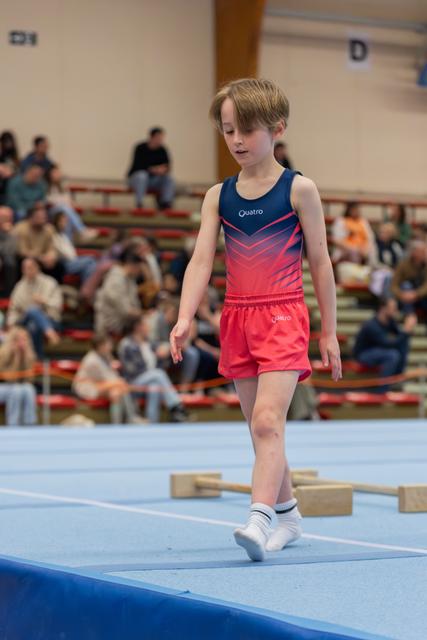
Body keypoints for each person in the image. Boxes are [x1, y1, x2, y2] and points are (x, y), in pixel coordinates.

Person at [169, 78, 341, 562]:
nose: (237, 140)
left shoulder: (299, 189)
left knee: (268, 421)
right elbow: (201, 261)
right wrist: (185, 317)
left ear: (277, 127)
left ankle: (258, 517)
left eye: (247, 129)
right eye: (228, 131)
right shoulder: (218, 196)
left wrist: (328, 330)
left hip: (284, 314)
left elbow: (322, 261)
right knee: (259, 429)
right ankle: (288, 514)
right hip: (237, 318)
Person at [118, 315, 188, 423]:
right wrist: (156, 359)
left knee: (154, 387)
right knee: (158, 374)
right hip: (132, 384)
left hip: (149, 381)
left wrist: (165, 349)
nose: (148, 327)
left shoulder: (148, 342)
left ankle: (152, 423)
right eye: (145, 324)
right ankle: (176, 405)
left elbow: (161, 348)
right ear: (138, 327)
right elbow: (133, 371)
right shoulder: (127, 344)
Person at [73, 334, 145, 425]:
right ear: (100, 346)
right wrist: (120, 382)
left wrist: (120, 382)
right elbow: (109, 380)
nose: (110, 346)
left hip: (101, 384)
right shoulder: (92, 360)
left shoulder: (106, 355)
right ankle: (124, 422)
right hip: (88, 387)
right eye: (108, 344)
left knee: (116, 392)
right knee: (118, 388)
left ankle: (130, 418)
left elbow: (112, 377)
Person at [353, 298, 417, 392]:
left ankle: (397, 376)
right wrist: (406, 331)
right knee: (392, 355)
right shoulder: (371, 325)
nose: (396, 311)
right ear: (383, 308)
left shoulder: (390, 322)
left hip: (378, 351)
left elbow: (399, 337)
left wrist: (407, 331)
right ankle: (382, 390)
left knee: (402, 344)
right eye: (393, 308)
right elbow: (387, 344)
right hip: (363, 354)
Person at [7, 258, 62, 358]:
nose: (28, 270)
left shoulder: (50, 282)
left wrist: (44, 301)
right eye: (25, 268)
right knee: (32, 311)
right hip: (24, 320)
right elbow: (13, 309)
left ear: (37, 267)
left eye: (30, 268)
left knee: (34, 326)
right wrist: (11, 324)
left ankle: (37, 359)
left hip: (49, 319)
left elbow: (57, 305)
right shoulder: (19, 286)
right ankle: (49, 332)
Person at [94, 247, 143, 335]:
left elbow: (134, 305)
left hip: (122, 322)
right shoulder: (116, 279)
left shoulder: (130, 279)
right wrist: (143, 314)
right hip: (110, 325)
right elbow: (125, 311)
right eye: (138, 267)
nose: (139, 271)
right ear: (131, 265)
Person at [12, 202, 64, 281]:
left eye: (44, 217)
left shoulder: (49, 229)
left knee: (59, 265)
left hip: (43, 258)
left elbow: (52, 247)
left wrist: (51, 256)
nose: (43, 220)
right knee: (25, 262)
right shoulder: (21, 228)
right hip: (26, 257)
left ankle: (54, 289)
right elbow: (22, 251)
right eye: (39, 217)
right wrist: (41, 258)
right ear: (30, 218)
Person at [127, 127, 175, 209]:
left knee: (169, 179)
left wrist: (163, 170)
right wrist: (154, 169)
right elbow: (138, 166)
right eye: (158, 138)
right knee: (142, 175)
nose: (160, 140)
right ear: (152, 137)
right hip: (136, 180)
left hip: (154, 180)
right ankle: (139, 203)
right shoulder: (140, 148)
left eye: (161, 138)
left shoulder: (162, 150)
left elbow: (167, 166)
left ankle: (165, 203)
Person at [46, 166, 97, 241]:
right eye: (55, 173)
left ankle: (68, 243)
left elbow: (69, 200)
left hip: (64, 211)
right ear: (49, 174)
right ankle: (82, 230)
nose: (58, 174)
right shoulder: (45, 186)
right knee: (64, 208)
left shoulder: (62, 186)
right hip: (51, 211)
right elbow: (49, 200)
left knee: (66, 217)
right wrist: (62, 202)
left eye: (59, 172)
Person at [0, 326, 37, 426]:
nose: (22, 342)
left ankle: (30, 423)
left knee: (29, 389)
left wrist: (24, 357)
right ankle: (13, 425)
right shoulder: (3, 353)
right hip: (3, 387)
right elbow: (8, 378)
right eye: (19, 339)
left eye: (25, 339)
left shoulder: (28, 355)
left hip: (19, 386)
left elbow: (30, 378)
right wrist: (16, 357)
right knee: (16, 390)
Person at [51, 211, 97, 292]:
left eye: (66, 221)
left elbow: (71, 252)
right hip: (64, 264)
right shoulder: (53, 235)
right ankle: (87, 290)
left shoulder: (64, 235)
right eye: (63, 221)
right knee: (90, 259)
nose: (66, 223)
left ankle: (85, 290)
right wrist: (72, 257)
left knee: (89, 266)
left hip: (72, 260)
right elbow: (62, 253)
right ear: (57, 221)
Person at [391, 240, 427, 317]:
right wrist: (402, 294)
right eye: (422, 252)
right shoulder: (402, 265)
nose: (425, 254)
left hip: (421, 297)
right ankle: (410, 315)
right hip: (404, 296)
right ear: (414, 253)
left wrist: (416, 294)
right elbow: (394, 285)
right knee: (406, 285)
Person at [0, 206, 18, 296]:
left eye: (8, 218)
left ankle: (9, 294)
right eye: (3, 218)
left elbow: (10, 250)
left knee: (10, 262)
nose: (6, 221)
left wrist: (9, 234)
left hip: (7, 257)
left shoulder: (13, 231)